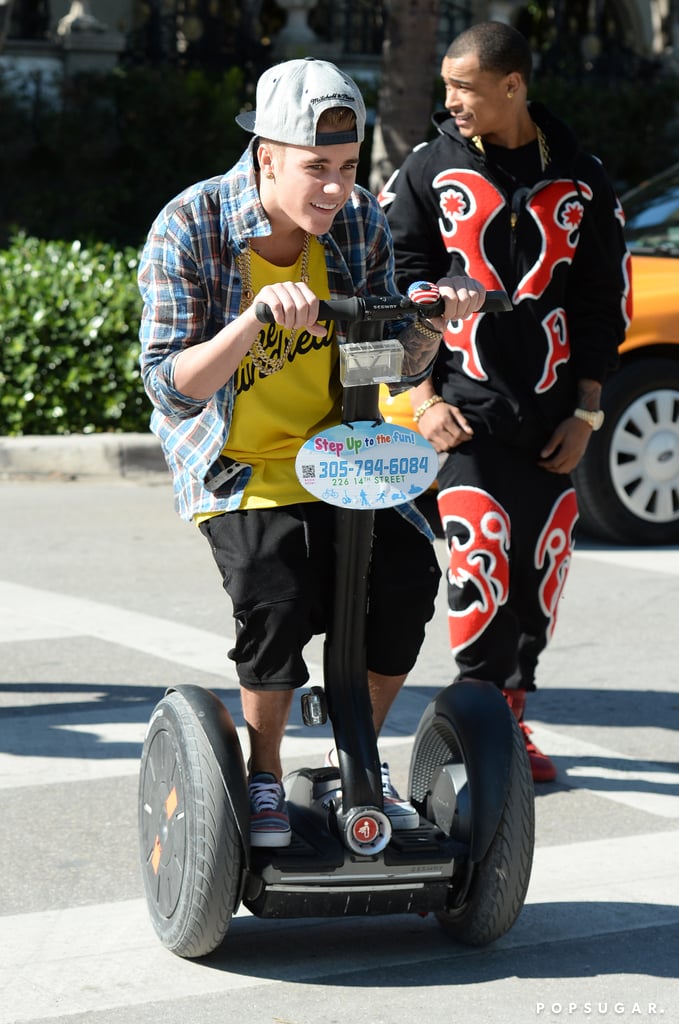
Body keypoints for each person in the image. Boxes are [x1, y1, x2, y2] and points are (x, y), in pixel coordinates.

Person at [138, 57, 486, 847]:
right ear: (266, 155)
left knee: (403, 577)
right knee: (277, 586)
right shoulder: (189, 225)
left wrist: (433, 319)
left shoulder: (358, 223)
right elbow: (170, 388)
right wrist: (253, 320)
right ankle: (264, 775)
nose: (334, 189)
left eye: (346, 168)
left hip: (340, 450)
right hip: (236, 459)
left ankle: (354, 762)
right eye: (314, 170)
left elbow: (378, 366)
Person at [381, 22, 630, 782]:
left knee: (539, 571)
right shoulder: (425, 171)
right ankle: (474, 725)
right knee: (481, 550)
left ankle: (510, 721)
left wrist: (586, 413)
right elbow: (395, 286)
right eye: (447, 84)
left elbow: (600, 304)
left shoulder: (582, 181)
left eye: (465, 87)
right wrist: (420, 397)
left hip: (553, 419)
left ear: (513, 85)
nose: (449, 100)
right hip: (462, 412)